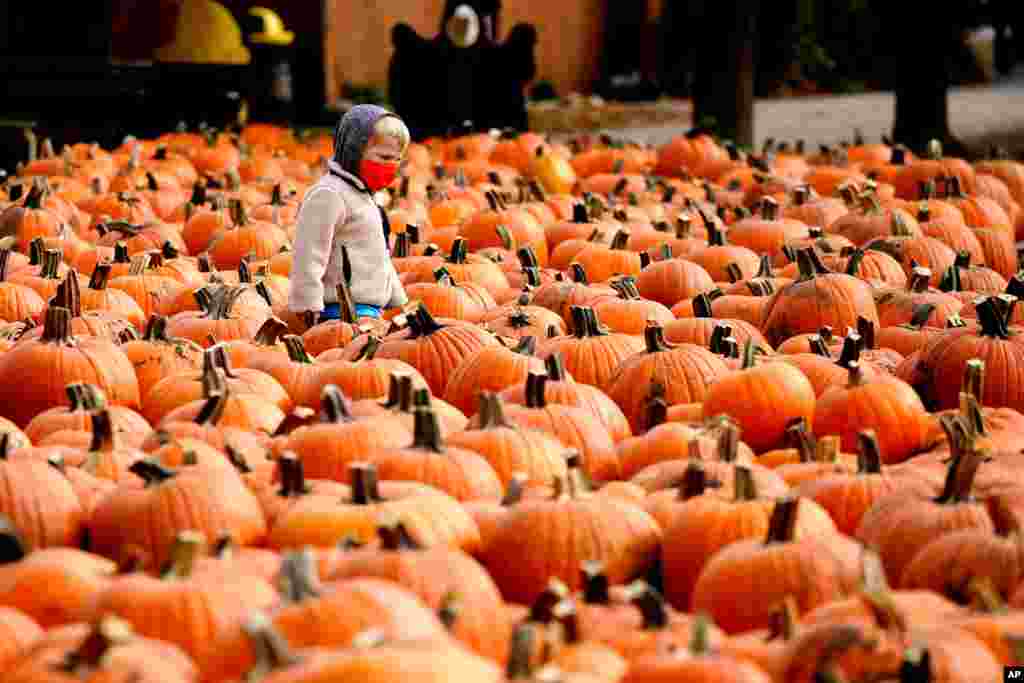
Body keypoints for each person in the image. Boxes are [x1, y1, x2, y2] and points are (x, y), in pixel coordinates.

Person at [288, 105, 409, 327]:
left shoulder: (364, 196)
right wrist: (307, 301)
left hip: (369, 309)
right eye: (383, 157)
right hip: (339, 312)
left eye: (396, 159)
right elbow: (309, 251)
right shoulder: (330, 194)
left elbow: (377, 254)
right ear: (354, 150)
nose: (391, 166)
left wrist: (397, 297)